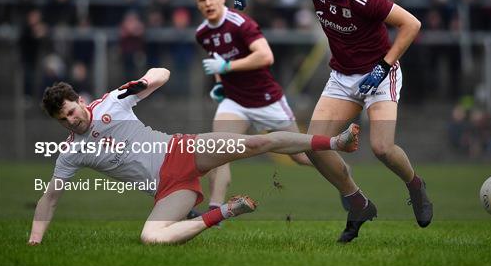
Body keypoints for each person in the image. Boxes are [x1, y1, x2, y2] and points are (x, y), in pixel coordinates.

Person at [233, 0, 433, 242]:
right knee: (314, 146)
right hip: (342, 77)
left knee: (382, 148)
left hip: (380, 74)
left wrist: (383, 66)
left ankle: (415, 185)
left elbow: (411, 24)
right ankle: (358, 202)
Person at [28, 68, 360, 245]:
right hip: (170, 191)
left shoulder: (112, 102)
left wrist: (142, 82)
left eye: (71, 111)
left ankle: (335, 141)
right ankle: (226, 211)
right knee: (151, 238)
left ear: (78, 100)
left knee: (258, 144)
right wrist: (34, 241)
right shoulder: (71, 151)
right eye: (63, 119)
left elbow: (163, 73)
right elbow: (50, 198)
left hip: (183, 151)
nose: (72, 120)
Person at [191, 0, 312, 214]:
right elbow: (217, 60)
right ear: (197, 3)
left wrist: (226, 68)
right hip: (234, 101)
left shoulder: (240, 23)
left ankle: (343, 175)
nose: (208, 3)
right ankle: (215, 212)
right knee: (218, 151)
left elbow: (265, 56)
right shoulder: (202, 33)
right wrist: (219, 83)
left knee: (300, 156)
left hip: (266, 100)